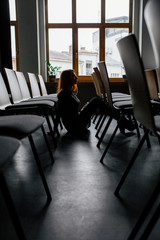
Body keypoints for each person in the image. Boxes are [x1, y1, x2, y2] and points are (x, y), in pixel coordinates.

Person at [57, 69, 108, 137]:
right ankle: (121, 121)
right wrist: (54, 129)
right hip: (74, 127)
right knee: (96, 101)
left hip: (76, 123)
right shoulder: (63, 94)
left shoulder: (69, 92)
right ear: (67, 79)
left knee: (95, 101)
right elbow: (59, 112)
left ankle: (121, 121)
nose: (76, 77)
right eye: (73, 76)